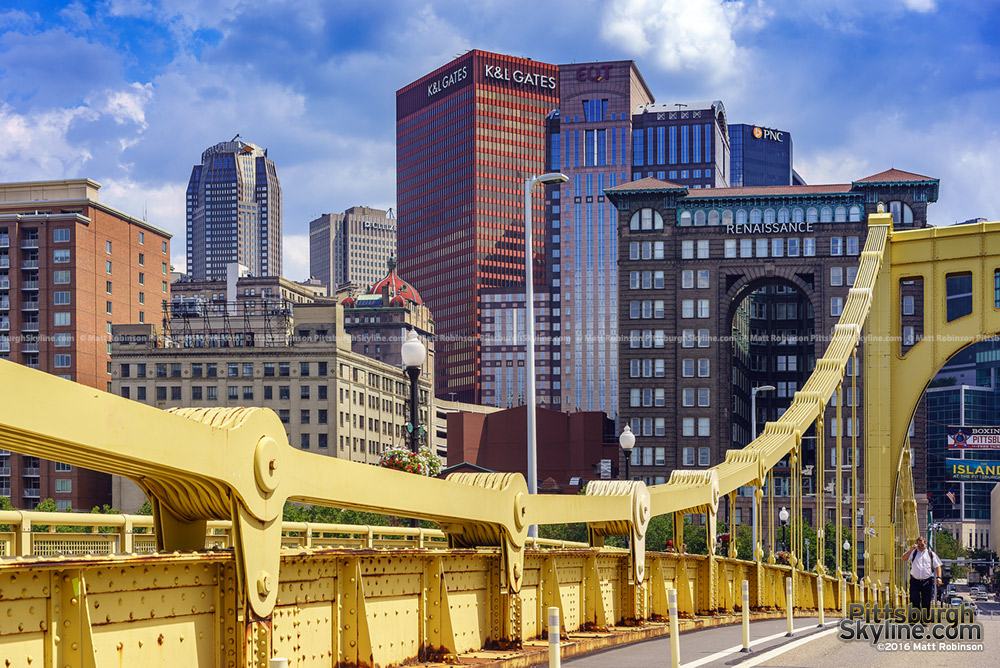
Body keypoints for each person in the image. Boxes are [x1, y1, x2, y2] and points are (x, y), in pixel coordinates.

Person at [902, 536, 942, 620]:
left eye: (922, 545)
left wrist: (939, 577)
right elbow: (904, 558)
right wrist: (910, 550)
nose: (920, 547)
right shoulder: (913, 553)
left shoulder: (930, 554)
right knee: (914, 599)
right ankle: (915, 617)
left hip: (927, 581)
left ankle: (924, 619)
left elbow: (937, 566)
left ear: (925, 544)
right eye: (919, 545)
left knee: (926, 601)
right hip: (915, 581)